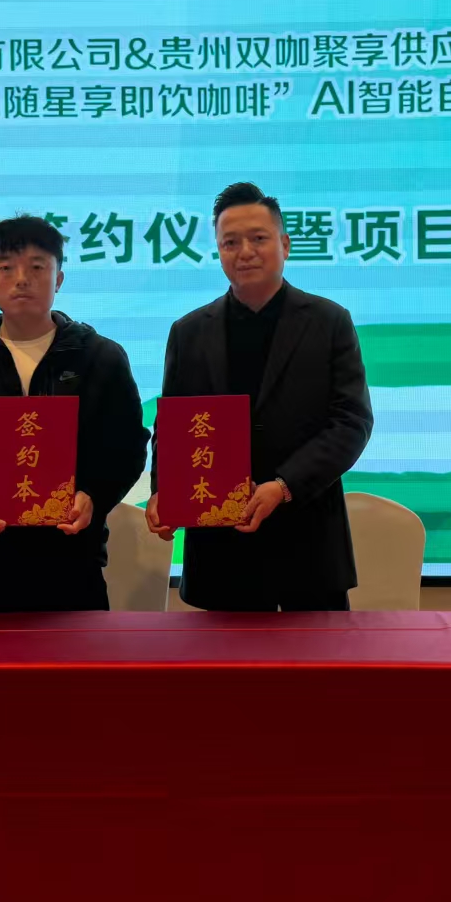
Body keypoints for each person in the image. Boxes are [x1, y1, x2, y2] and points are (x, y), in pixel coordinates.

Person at [0, 215, 148, 612]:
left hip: (72, 566)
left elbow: (128, 448)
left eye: (36, 267)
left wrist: (93, 496)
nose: (22, 279)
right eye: (6, 268)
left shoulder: (100, 358)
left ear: (58, 278)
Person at [146, 183, 373, 611]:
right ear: (218, 251)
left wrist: (283, 486)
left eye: (258, 238)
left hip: (307, 542)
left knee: (316, 657)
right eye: (230, 242)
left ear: (284, 244)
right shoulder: (189, 332)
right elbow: (172, 427)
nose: (244, 252)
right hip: (219, 550)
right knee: (225, 657)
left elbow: (351, 421)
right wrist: (165, 492)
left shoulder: (328, 322)